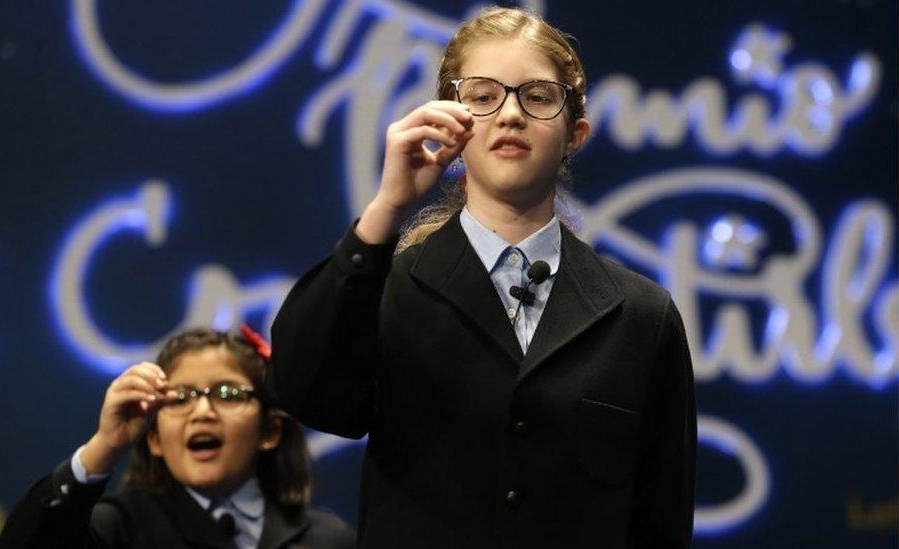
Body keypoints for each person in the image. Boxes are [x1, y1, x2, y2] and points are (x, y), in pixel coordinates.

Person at [266, 7, 696, 549]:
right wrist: (386, 209)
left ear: (575, 133)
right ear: (448, 121)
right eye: (483, 95)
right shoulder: (386, 289)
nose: (511, 115)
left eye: (538, 96)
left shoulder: (641, 316)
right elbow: (303, 392)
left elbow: (663, 521)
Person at [0, 327, 356, 549]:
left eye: (228, 394)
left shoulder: (328, 539)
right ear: (154, 438)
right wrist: (104, 447)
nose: (202, 411)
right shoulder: (119, 530)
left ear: (270, 431)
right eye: (181, 398)